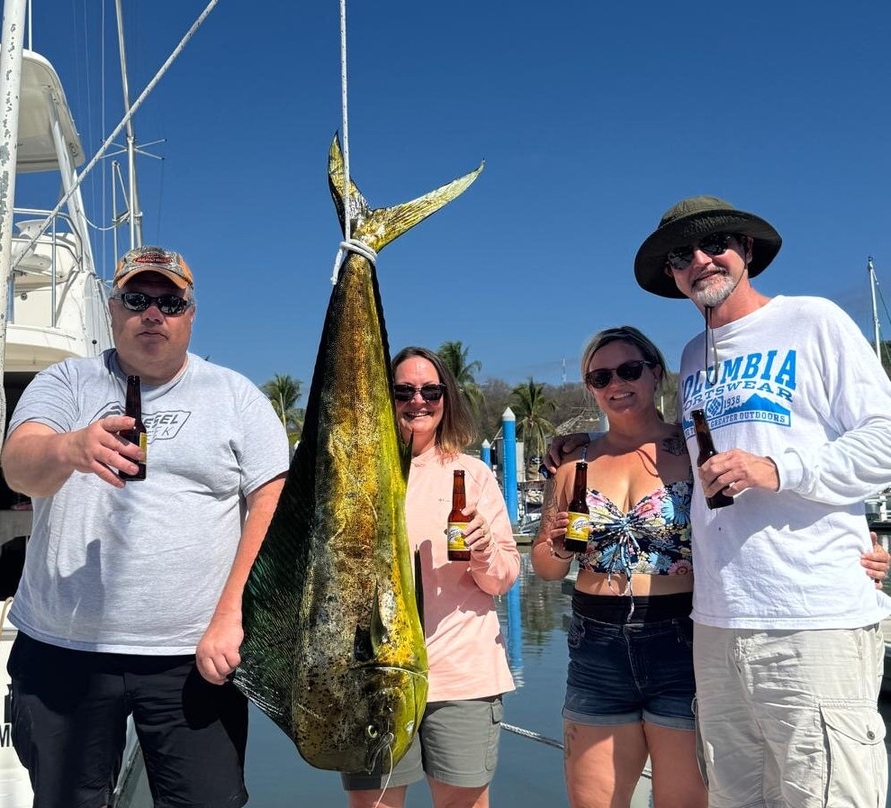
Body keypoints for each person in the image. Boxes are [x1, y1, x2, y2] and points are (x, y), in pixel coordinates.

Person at [1, 246, 288, 808]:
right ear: (113, 310)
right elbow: (19, 467)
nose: (152, 314)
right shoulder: (66, 382)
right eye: (137, 299)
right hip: (64, 649)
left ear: (190, 313)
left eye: (169, 302)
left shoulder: (236, 396)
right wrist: (71, 447)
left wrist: (233, 616)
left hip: (194, 656)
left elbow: (273, 502)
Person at [635, 196, 891, 807]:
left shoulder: (814, 320)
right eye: (681, 254)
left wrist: (778, 469)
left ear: (746, 251)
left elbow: (883, 439)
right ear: (672, 274)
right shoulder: (694, 356)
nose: (700, 260)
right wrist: (578, 444)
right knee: (735, 797)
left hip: (812, 616)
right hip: (719, 622)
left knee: (825, 794)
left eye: (715, 243)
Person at [533, 326, 706, 808]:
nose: (616, 383)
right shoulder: (575, 465)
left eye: (629, 370)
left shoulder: (692, 450)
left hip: (681, 641)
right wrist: (564, 547)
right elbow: (545, 568)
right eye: (600, 375)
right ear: (590, 387)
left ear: (655, 373)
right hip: (596, 645)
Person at [342, 346, 521, 808]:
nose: (417, 400)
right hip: (372, 672)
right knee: (373, 803)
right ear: (387, 398)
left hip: (460, 672)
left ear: (446, 398)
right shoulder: (355, 477)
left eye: (430, 390)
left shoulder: (473, 474)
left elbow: (503, 578)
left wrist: (482, 549)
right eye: (403, 390)